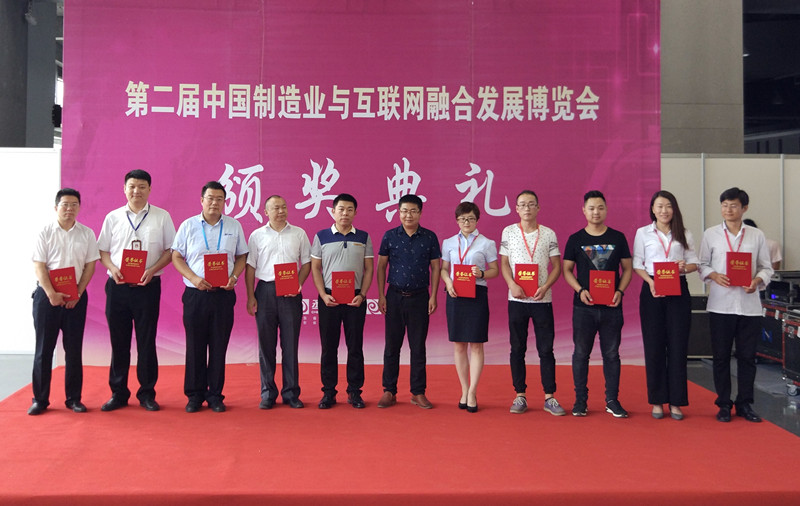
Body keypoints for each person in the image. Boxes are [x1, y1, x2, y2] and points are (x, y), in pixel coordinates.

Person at [97, 169, 176, 412]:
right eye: (132, 186)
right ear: (124, 189)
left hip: (147, 287)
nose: (136, 191)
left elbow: (171, 251)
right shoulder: (113, 217)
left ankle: (147, 394)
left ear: (150, 189)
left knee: (146, 342)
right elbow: (103, 251)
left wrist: (152, 270)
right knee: (119, 342)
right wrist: (112, 268)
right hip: (118, 287)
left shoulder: (162, 217)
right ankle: (118, 393)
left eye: (142, 186)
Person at [172, 181, 248, 413]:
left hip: (223, 295)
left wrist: (234, 277)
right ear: (202, 200)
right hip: (196, 295)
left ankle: (215, 395)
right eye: (210, 198)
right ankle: (194, 395)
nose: (215, 203)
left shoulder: (234, 225)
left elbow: (241, 256)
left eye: (219, 199)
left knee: (218, 346)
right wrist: (194, 278)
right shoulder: (188, 225)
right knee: (194, 346)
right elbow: (176, 256)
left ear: (225, 202)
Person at [698, 187, 773, 423]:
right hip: (720, 305)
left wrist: (757, 281)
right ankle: (723, 403)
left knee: (747, 357)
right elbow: (702, 264)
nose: (728, 210)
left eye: (733, 205)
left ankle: (745, 403)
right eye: (724, 205)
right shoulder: (711, 234)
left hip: (749, 306)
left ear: (744, 208)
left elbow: (767, 267)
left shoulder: (756, 235)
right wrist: (713, 275)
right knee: (721, 357)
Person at [29, 188, 100, 415]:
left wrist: (77, 293)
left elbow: (90, 266)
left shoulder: (87, 234)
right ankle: (40, 400)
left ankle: (74, 399)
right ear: (56, 207)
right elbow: (39, 265)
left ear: (79, 207)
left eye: (74, 205)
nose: (69, 209)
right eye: (65, 204)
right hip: (47, 296)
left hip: (75, 297)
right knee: (43, 350)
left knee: (74, 350)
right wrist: (51, 293)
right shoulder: (45, 232)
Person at [562, 190, 633, 418]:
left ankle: (612, 400)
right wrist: (580, 290)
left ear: (606, 209)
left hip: (612, 307)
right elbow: (566, 270)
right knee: (581, 353)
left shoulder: (618, 237)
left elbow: (628, 268)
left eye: (600, 207)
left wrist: (620, 291)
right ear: (584, 210)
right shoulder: (575, 239)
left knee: (611, 354)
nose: (596, 212)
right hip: (584, 307)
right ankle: (580, 400)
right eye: (591, 208)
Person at [633, 190, 699, 420]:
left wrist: (684, 267)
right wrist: (650, 282)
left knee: (678, 346)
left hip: (678, 289)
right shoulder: (643, 233)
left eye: (668, 206)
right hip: (652, 289)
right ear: (652, 209)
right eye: (660, 206)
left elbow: (695, 263)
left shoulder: (684, 233)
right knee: (654, 346)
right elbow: (637, 263)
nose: (664, 210)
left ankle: (677, 402)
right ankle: (657, 401)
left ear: (674, 209)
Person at [499, 190, 565, 416]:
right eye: (522, 205)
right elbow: (504, 263)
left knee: (546, 349)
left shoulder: (548, 233)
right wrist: (511, 284)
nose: (526, 208)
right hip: (516, 299)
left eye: (531, 204)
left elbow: (557, 266)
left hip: (541, 299)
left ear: (538, 207)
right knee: (517, 348)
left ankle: (550, 397)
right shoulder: (508, 232)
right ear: (516, 209)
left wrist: (545, 287)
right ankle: (520, 395)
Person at [246, 195, 311, 409]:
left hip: (291, 293)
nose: (281, 211)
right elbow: (250, 267)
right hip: (265, 290)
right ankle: (268, 393)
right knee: (266, 345)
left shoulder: (299, 233)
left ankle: (291, 393)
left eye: (284, 207)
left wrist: (298, 284)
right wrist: (251, 296)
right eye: (276, 208)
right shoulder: (257, 235)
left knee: (290, 344)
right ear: (266, 212)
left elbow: (307, 263)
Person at [376, 194, 441, 409]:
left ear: (420, 213)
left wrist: (433, 295)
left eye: (413, 211)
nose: (408, 215)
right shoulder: (390, 236)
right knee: (391, 346)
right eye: (404, 211)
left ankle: (418, 392)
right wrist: (381, 295)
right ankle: (389, 391)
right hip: (394, 296)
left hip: (420, 297)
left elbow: (436, 268)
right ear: (399, 212)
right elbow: (381, 266)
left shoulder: (429, 237)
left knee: (418, 347)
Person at [310, 193, 374, 409]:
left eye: (349, 209)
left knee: (355, 347)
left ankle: (354, 392)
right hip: (329, 298)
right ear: (333, 211)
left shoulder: (363, 237)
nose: (345, 213)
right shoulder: (321, 236)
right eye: (341, 209)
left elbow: (369, 269)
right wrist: (322, 294)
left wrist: (362, 294)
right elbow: (315, 268)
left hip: (355, 298)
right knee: (329, 347)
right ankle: (328, 392)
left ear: (355, 212)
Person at [441, 202, 499, 413]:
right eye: (462, 219)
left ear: (477, 220)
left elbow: (495, 270)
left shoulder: (487, 243)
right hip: (455, 294)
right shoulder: (448, 242)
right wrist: (448, 282)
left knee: (476, 345)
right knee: (459, 345)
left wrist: (482, 274)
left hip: (477, 295)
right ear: (457, 220)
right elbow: (444, 269)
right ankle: (464, 389)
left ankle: (473, 391)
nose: (466, 222)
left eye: (471, 218)